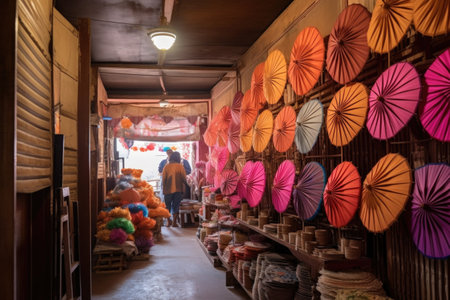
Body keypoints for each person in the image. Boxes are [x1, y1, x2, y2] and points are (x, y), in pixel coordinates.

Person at [162, 151, 187, 227]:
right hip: (178, 189)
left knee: (167, 206)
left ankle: (168, 221)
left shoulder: (166, 166)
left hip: (167, 189)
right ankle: (174, 222)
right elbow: (184, 178)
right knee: (176, 205)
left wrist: (164, 188)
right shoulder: (180, 166)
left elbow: (163, 179)